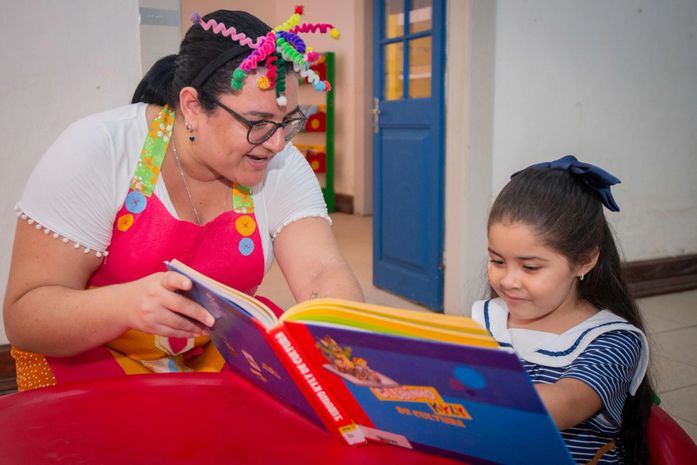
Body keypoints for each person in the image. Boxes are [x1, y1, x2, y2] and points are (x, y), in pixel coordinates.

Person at [3, 7, 363, 391]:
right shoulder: (99, 149)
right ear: (192, 106)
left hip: (213, 353)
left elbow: (322, 274)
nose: (276, 144)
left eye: (288, 122)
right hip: (94, 355)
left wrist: (355, 340)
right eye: (257, 123)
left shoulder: (280, 163)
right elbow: (26, 316)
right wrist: (124, 305)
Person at [471, 156, 653, 464]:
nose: (509, 280)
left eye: (530, 267)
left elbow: (563, 406)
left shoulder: (614, 341)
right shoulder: (486, 318)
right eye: (497, 261)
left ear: (584, 260)